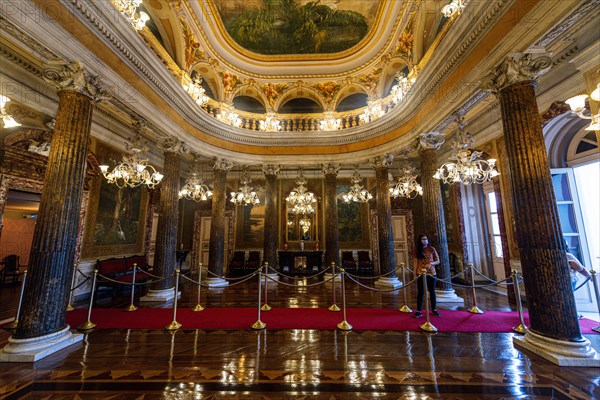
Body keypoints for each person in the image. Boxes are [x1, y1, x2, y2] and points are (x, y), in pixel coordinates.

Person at [413, 234, 441, 318]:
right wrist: (415, 274)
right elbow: (415, 262)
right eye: (423, 239)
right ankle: (419, 310)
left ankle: (434, 309)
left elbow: (438, 261)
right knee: (420, 292)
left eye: (426, 239)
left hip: (431, 273)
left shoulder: (432, 249)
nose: (425, 240)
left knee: (432, 291)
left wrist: (431, 264)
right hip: (420, 272)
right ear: (420, 240)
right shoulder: (416, 249)